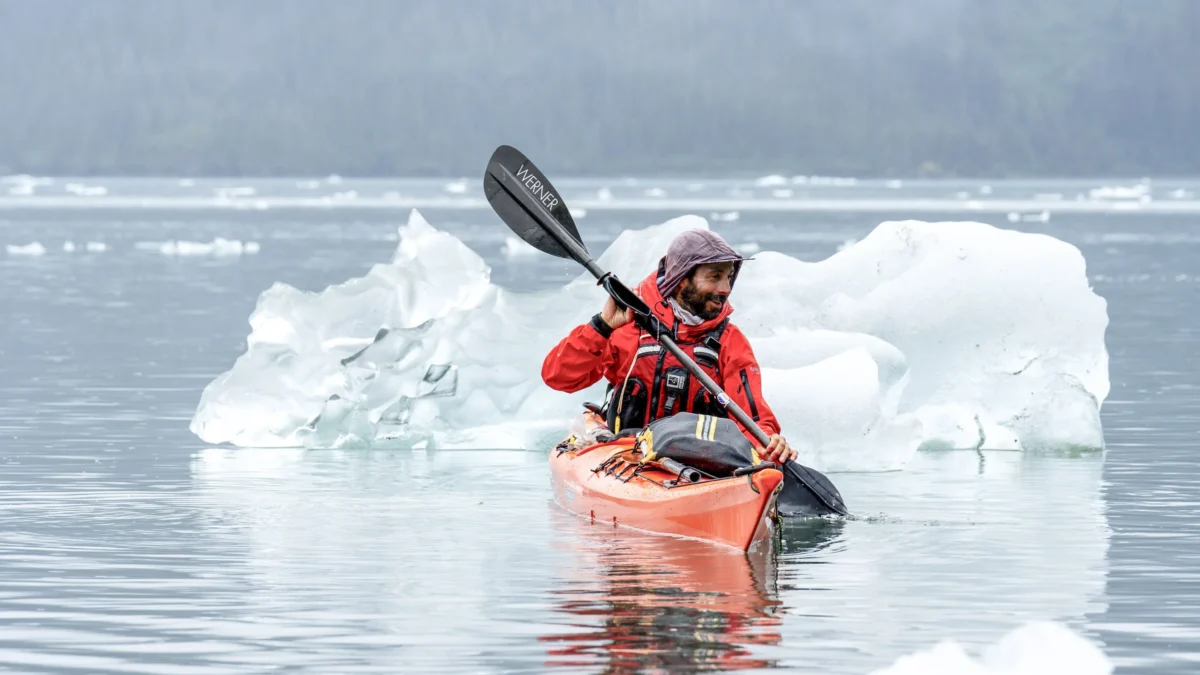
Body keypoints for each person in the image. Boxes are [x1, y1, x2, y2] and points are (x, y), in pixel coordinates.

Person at [541, 228, 796, 465]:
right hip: (624, 454)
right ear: (682, 279)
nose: (725, 289)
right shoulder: (628, 325)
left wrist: (767, 443)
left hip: (694, 463)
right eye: (715, 277)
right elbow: (558, 377)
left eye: (729, 277)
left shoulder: (730, 341)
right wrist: (602, 326)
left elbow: (752, 417)